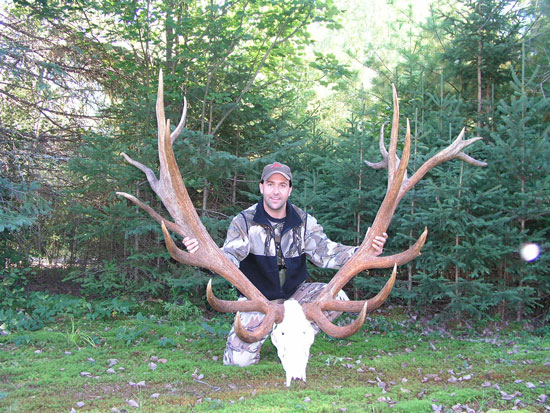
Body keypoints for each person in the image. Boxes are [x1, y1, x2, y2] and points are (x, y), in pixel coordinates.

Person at [183, 162, 387, 366]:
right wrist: (203, 255)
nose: (276, 191)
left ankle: (292, 337)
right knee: (239, 362)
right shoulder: (244, 221)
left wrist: (365, 249)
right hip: (258, 302)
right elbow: (230, 257)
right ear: (261, 187)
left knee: (338, 298)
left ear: (289, 190)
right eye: (271, 184)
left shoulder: (303, 221)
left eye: (282, 185)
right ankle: (272, 336)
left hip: (295, 300)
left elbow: (327, 252)